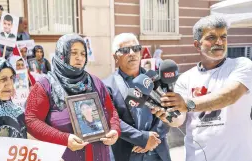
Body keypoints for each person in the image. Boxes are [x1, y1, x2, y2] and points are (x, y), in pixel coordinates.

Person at [158, 15, 252, 161]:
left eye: (223, 36)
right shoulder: (185, 78)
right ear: (197, 45)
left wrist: (187, 104)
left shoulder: (242, 65)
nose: (219, 42)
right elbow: (179, 119)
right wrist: (167, 116)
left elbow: (229, 96)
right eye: (212, 37)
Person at [25, 34, 120, 161]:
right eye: (73, 53)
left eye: (83, 54)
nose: (79, 57)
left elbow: (111, 111)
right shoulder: (45, 85)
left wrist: (115, 130)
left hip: (99, 155)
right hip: (63, 156)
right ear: (61, 54)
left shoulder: (95, 82)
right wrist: (64, 139)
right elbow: (31, 120)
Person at [103, 33, 171, 161]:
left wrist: (153, 138)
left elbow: (169, 109)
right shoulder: (106, 85)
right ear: (115, 57)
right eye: (124, 50)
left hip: (158, 151)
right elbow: (110, 118)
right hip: (127, 153)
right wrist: (142, 139)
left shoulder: (155, 78)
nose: (132, 53)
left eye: (136, 48)